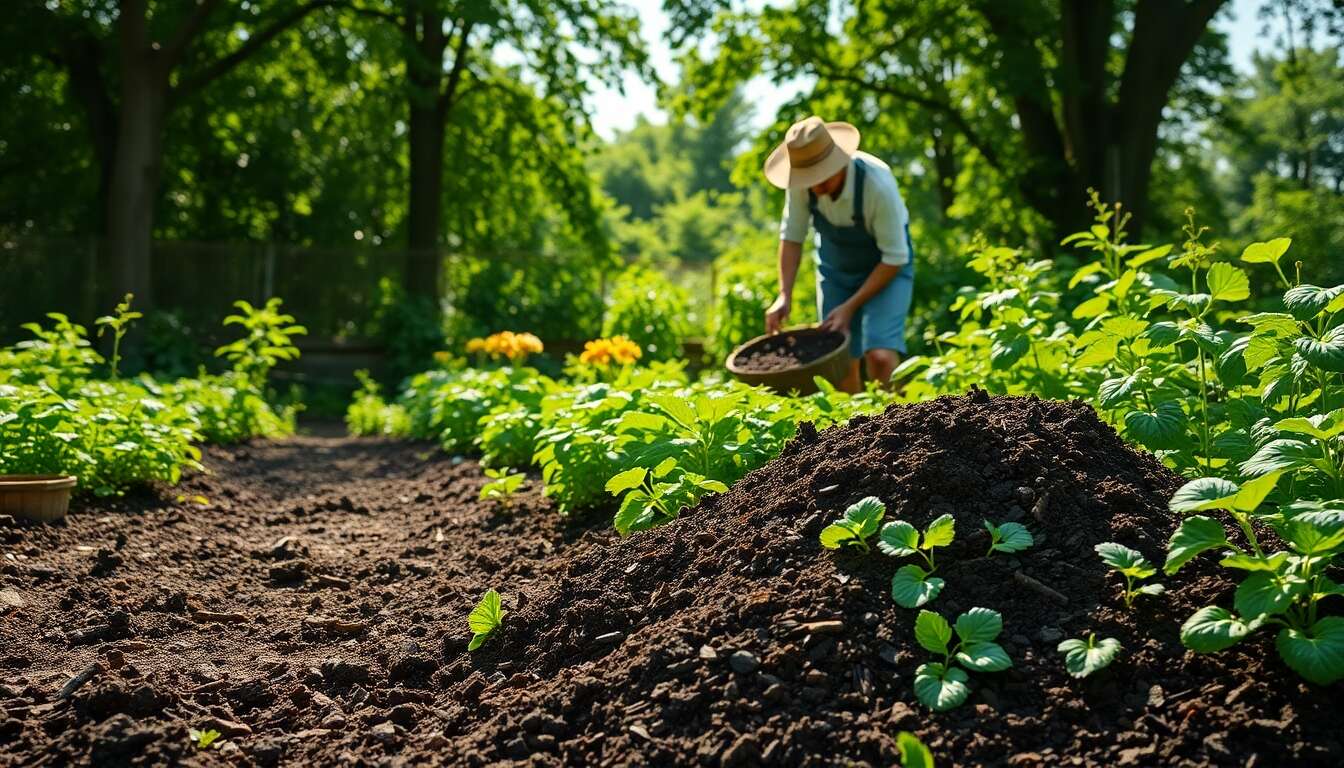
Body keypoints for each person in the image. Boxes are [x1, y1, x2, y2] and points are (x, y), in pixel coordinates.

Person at [762, 115, 915, 392]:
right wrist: (784, 294)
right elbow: (792, 237)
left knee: (879, 356)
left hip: (888, 267)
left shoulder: (877, 185)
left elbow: (894, 257)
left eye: (822, 178)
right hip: (836, 270)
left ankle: (900, 426)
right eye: (810, 181)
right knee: (840, 361)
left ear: (840, 161)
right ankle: (854, 431)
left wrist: (849, 307)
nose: (815, 188)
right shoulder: (801, 183)